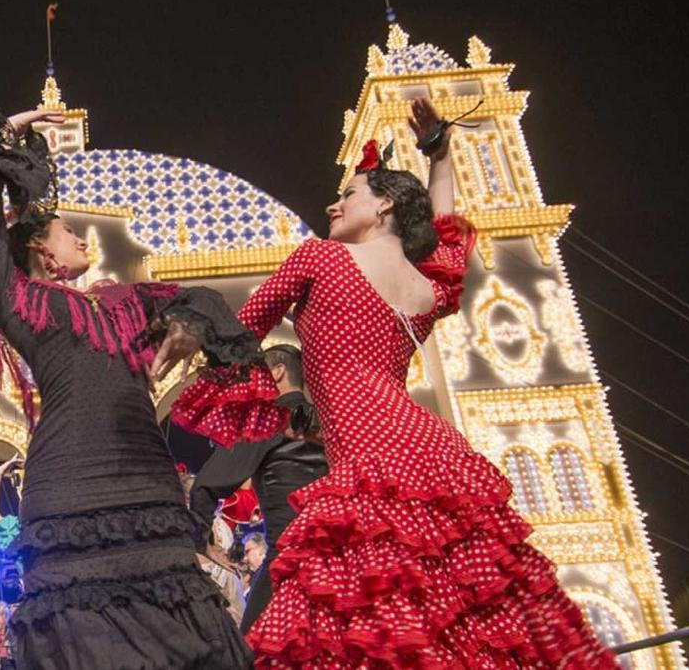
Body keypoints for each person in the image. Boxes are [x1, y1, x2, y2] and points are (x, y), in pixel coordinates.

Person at [173, 97, 620, 667]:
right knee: (455, 616)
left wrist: (178, 336)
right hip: (432, 456)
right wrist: (440, 156)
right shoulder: (425, 290)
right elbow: (443, 242)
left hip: (371, 469)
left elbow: (241, 332)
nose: (334, 204)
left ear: (383, 204)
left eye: (349, 194)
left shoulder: (320, 259)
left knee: (366, 627)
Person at [0, 106, 257, 669]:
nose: (82, 238)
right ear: (40, 250)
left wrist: (186, 326)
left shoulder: (124, 301)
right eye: (68, 231)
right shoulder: (23, 304)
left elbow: (201, 299)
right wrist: (4, 143)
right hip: (68, 484)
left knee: (179, 610)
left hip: (144, 475)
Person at [189, 343, 330, 633]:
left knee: (256, 647)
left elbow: (206, 485)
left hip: (291, 563)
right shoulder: (331, 420)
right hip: (343, 558)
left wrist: (202, 539)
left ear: (277, 372)